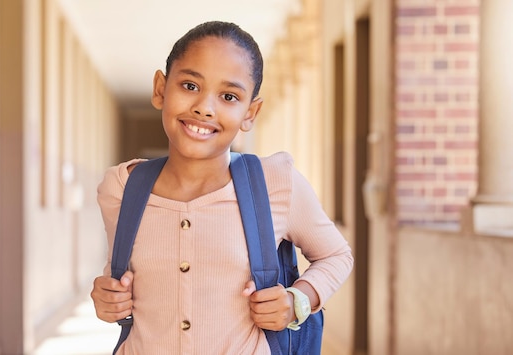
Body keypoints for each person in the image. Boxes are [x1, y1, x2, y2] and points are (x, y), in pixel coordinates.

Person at [91, 21, 353, 354]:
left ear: (251, 112)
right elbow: (124, 279)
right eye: (189, 85)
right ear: (160, 88)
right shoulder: (121, 188)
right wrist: (108, 298)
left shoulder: (276, 183)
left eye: (229, 96)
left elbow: (336, 255)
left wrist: (296, 300)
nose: (204, 107)